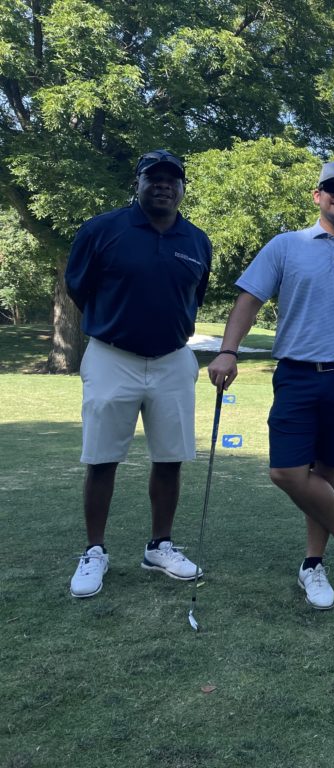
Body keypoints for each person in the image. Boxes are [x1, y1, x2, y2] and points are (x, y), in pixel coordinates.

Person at [207, 160, 334, 610]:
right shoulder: (286, 246)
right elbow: (248, 301)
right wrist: (228, 350)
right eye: (332, 187)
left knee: (325, 473)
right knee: (286, 473)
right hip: (295, 373)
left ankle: (313, 566)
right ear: (317, 196)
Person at [65, 149, 212, 598]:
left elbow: (195, 295)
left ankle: (159, 545)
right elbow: (79, 287)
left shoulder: (196, 240)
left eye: (173, 179)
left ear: (182, 187)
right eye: (155, 178)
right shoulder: (102, 230)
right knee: (102, 457)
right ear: (139, 183)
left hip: (172, 358)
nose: (164, 185)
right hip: (113, 355)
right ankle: (94, 551)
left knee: (170, 457)